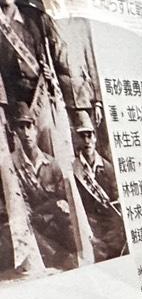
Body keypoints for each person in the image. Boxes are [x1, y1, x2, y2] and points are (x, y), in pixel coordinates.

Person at [10, 101, 79, 270]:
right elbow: (20, 205)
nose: (26, 132)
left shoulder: (51, 163)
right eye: (21, 127)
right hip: (34, 225)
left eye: (29, 126)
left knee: (72, 228)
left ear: (35, 129)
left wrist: (53, 212)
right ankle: (61, 258)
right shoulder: (12, 166)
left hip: (54, 220)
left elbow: (63, 199)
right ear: (15, 132)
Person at [71, 110, 125, 261]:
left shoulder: (108, 168)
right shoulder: (73, 169)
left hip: (109, 227)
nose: (87, 141)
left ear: (95, 137)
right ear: (77, 139)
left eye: (89, 135)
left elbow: (116, 202)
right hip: (87, 225)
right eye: (82, 136)